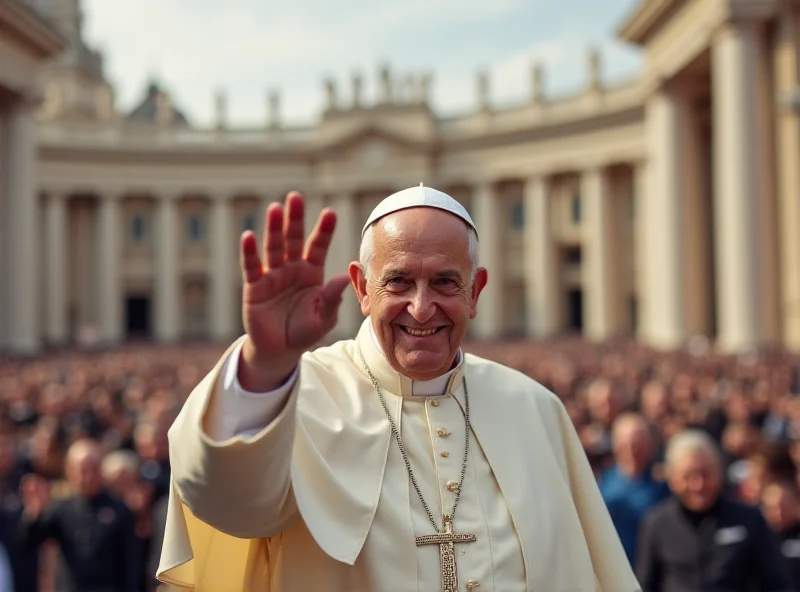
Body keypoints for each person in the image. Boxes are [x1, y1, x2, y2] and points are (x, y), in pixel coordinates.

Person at [157, 186, 639, 591]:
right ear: (362, 289)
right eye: (399, 282)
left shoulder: (535, 409)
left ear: (476, 291)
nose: (422, 307)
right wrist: (263, 365)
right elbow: (224, 499)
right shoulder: (297, 396)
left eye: (446, 282)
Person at [635, 429, 792, 592]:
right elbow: (645, 584)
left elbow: (776, 584)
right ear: (673, 479)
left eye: (705, 474)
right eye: (688, 476)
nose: (698, 485)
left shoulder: (749, 519)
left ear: (719, 472)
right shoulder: (656, 523)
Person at [19, 438, 142, 592]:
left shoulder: (119, 509)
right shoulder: (60, 508)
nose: (89, 477)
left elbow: (131, 563)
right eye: (83, 470)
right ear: (70, 470)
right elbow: (29, 544)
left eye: (94, 469)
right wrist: (34, 513)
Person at [598, 413, 670, 565]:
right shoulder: (602, 484)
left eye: (638, 442)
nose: (632, 449)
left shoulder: (664, 484)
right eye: (626, 443)